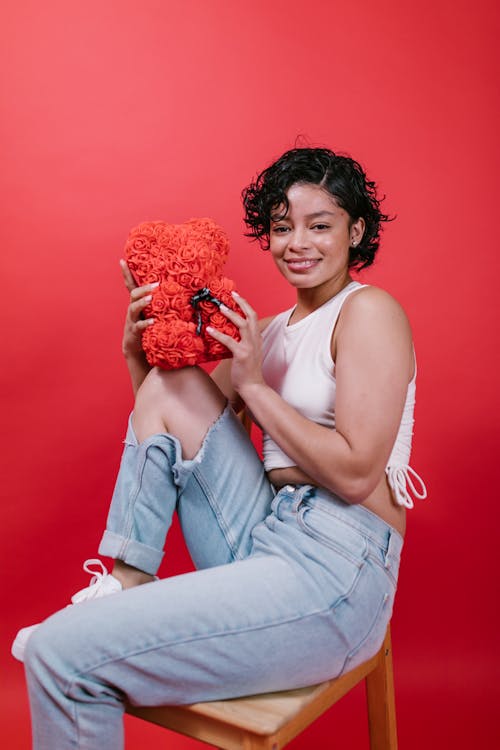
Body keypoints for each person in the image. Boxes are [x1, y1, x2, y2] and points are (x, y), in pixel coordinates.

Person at [14, 147, 426, 749]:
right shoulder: (270, 332)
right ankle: (126, 578)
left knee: (63, 656)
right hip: (265, 534)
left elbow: (359, 474)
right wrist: (138, 351)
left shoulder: (369, 312)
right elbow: (174, 429)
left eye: (320, 224)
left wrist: (254, 386)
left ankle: (111, 610)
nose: (298, 243)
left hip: (339, 565)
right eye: (283, 227)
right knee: (174, 377)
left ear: (355, 230)